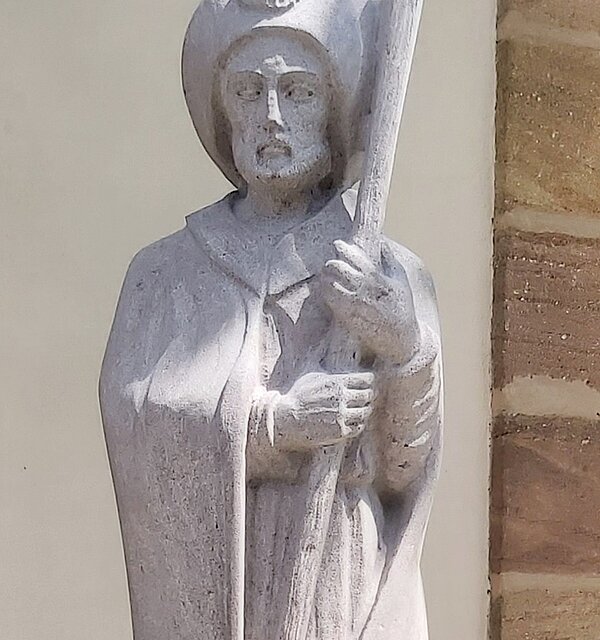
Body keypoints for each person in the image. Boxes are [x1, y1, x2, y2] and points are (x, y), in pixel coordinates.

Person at [100, 0, 442, 638]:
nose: (272, 115)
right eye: (248, 92)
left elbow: (404, 469)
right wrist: (273, 425)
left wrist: (404, 349)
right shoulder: (165, 274)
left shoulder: (389, 276)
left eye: (299, 92)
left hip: (337, 572)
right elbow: (138, 423)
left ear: (334, 110)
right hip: (225, 573)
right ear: (222, 111)